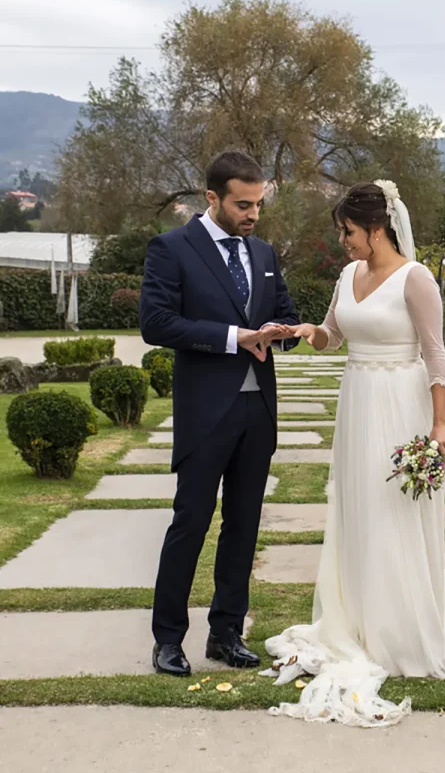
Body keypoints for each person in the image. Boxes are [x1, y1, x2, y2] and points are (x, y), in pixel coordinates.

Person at [263, 181, 445, 727]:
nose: (344, 242)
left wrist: (440, 423)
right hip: (356, 403)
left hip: (401, 404)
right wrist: (307, 330)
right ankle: (356, 621)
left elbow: (436, 356)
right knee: (357, 512)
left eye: (348, 232)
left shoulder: (415, 278)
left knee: (394, 514)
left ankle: (400, 632)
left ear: (376, 228)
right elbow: (333, 335)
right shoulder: (346, 276)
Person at [139, 151, 300, 676]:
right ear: (212, 198)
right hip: (206, 411)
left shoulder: (266, 252)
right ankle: (168, 640)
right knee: (191, 522)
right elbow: (157, 323)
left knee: (244, 524)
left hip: (258, 408)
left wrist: (283, 333)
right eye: (242, 204)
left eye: (258, 204)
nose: (253, 214)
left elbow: (285, 315)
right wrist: (236, 338)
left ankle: (226, 633)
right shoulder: (172, 249)